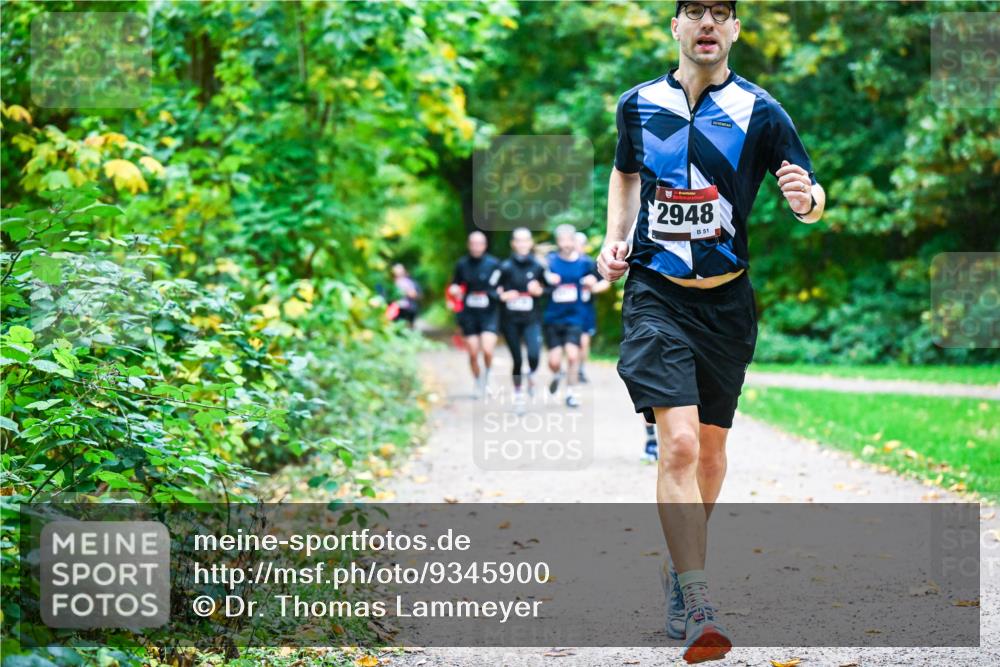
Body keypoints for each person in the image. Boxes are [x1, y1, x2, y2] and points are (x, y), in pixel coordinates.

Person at [598, 1, 826, 662]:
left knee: (713, 452)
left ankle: (679, 564)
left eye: (720, 13)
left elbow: (812, 196)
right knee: (678, 445)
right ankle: (698, 598)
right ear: (675, 26)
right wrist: (613, 240)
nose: (706, 22)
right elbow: (625, 172)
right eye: (693, 10)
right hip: (654, 294)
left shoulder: (762, 110)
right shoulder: (637, 104)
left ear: (732, 30)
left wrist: (804, 200)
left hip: (726, 304)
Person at [542, 225, 604, 408]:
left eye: (569, 240)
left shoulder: (585, 263)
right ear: (558, 242)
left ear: (573, 241)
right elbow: (537, 279)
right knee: (553, 361)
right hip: (553, 317)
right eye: (562, 240)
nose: (566, 244)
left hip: (575, 316)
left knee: (572, 355)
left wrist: (593, 283)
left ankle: (571, 393)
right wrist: (546, 278)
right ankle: (557, 374)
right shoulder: (550, 262)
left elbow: (603, 280)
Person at [497, 228, 546, 412]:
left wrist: (540, 290)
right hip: (510, 321)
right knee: (517, 359)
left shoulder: (538, 266)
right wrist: (502, 295)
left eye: (526, 240)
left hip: (531, 319)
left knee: (534, 355)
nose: (522, 244)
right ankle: (518, 395)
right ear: (513, 244)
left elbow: (549, 288)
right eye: (519, 241)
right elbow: (493, 289)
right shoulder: (504, 267)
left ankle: (531, 375)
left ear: (530, 243)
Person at [448, 231, 502, 397]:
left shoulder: (494, 264)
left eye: (480, 244)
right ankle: (478, 382)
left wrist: (500, 292)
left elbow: (503, 283)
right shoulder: (462, 264)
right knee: (472, 352)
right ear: (469, 245)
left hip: (489, 312)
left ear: (485, 245)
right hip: (470, 313)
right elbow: (454, 284)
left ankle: (488, 376)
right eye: (473, 243)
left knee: (487, 349)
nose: (476, 247)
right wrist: (455, 290)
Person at [572, 231, 610, 384]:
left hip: (585, 309)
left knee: (583, 341)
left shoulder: (590, 263)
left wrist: (593, 287)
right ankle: (568, 368)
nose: (576, 247)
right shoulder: (562, 262)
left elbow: (606, 283)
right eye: (574, 243)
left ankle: (580, 369)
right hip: (565, 309)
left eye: (580, 244)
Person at [390, 263, 421, 328]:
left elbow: (414, 294)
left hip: (407, 308)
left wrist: (406, 292)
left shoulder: (408, 282)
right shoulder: (391, 283)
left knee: (407, 326)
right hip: (396, 308)